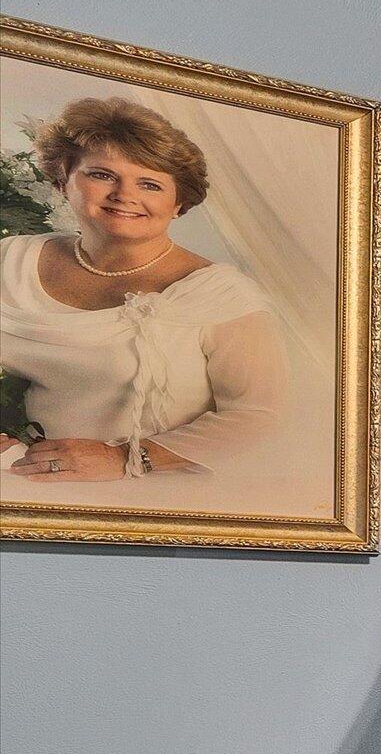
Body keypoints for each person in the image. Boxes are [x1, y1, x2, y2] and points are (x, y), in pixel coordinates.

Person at [0, 96, 290, 486]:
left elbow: (258, 415)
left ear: (178, 204)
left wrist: (125, 459)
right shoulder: (10, 260)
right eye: (102, 175)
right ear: (62, 181)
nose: (124, 195)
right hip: (21, 477)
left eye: (150, 184)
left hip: (161, 488)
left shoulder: (221, 295)